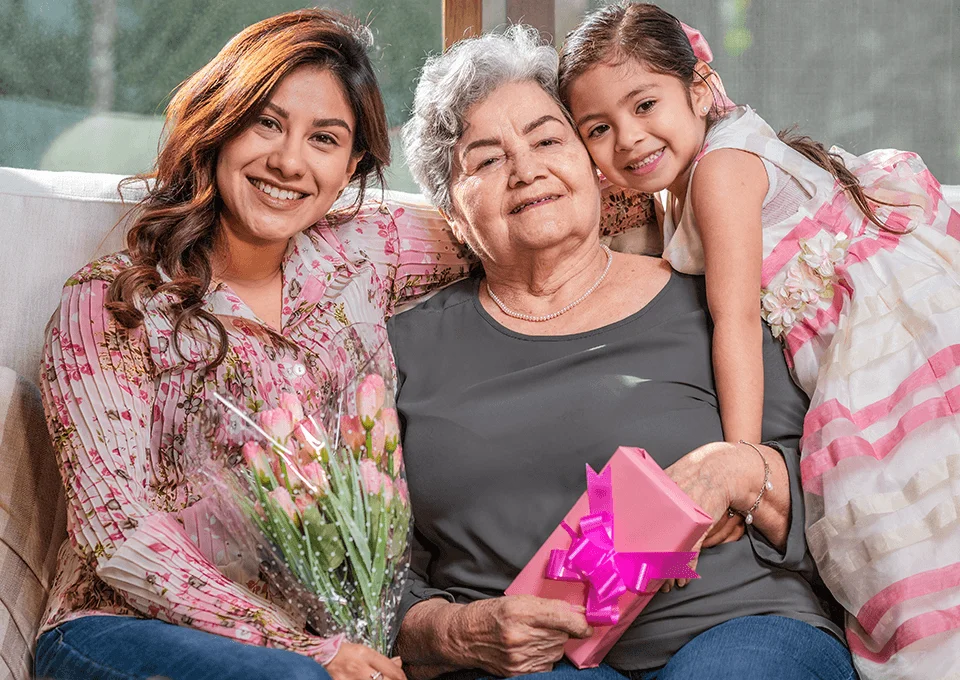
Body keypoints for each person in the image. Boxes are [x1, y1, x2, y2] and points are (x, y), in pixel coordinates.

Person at [388, 25, 855, 680]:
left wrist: (742, 473)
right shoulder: (398, 352)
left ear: (594, 170)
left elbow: (836, 483)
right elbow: (371, 577)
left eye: (548, 140)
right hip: (526, 663)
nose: (526, 170)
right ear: (453, 214)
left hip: (738, 625)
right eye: (487, 160)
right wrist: (457, 631)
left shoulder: (719, 299)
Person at [34, 9, 476, 680]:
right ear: (220, 123)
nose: (288, 160)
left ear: (352, 164)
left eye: (324, 139)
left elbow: (507, 219)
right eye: (266, 122)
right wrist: (307, 651)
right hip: (119, 629)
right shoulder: (113, 304)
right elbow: (117, 531)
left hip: (334, 646)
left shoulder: (365, 252)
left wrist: (667, 166)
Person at [557, 4, 960, 678]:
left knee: (901, 520)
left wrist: (740, 466)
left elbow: (735, 317)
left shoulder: (721, 169)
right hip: (855, 323)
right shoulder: (678, 181)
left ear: (698, 85)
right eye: (600, 128)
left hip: (882, 338)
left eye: (645, 103)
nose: (628, 139)